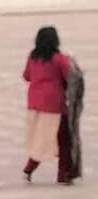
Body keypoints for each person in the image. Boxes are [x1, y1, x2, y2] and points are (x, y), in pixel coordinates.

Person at [22, 25, 80, 184]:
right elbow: (71, 77)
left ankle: (29, 169)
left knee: (40, 138)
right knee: (63, 140)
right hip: (54, 104)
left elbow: (26, 76)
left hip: (34, 103)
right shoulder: (59, 58)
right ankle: (64, 174)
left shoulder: (32, 57)